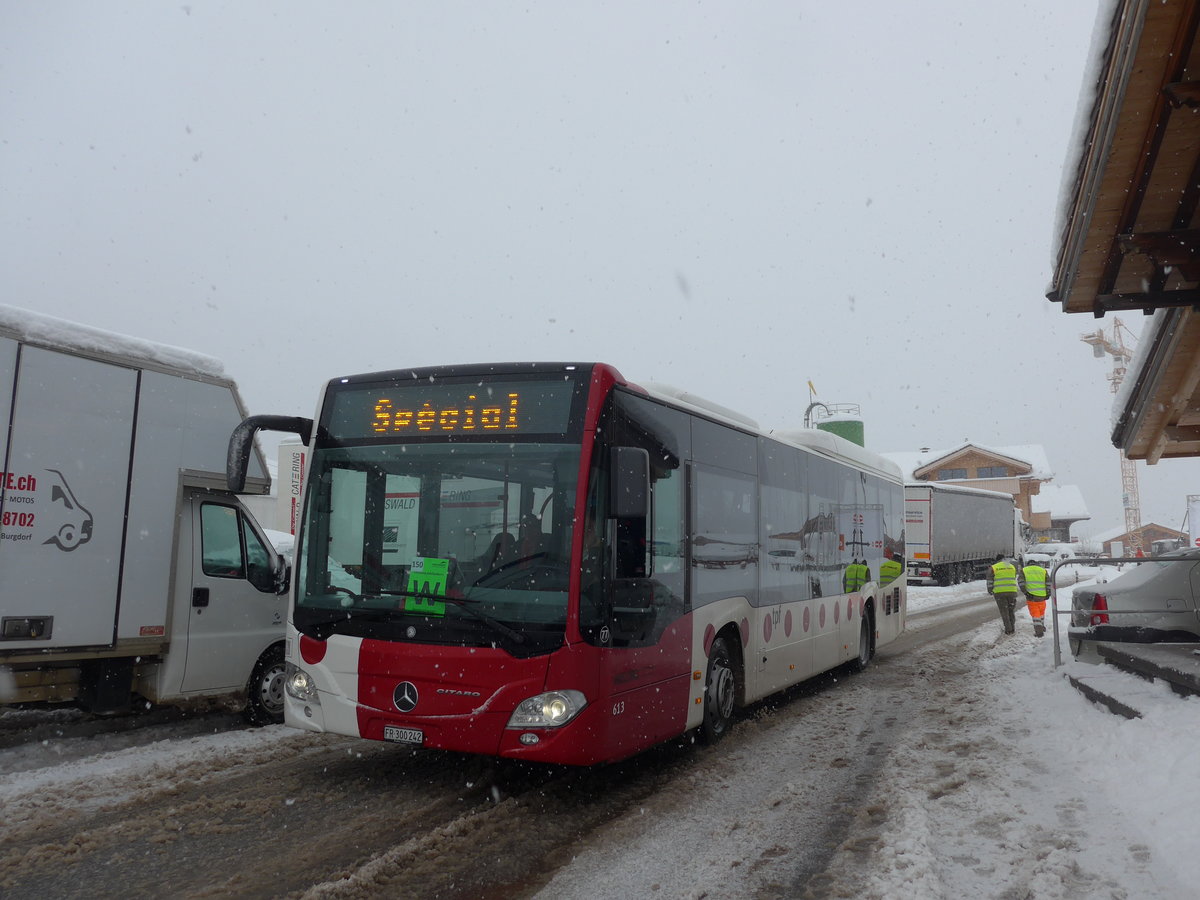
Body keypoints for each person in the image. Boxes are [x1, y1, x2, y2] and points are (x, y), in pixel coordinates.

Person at [987, 553, 1019, 635]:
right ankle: (1013, 627)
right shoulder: (1011, 566)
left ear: (997, 560)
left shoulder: (994, 567)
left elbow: (990, 581)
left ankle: (1008, 629)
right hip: (1012, 592)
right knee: (1011, 610)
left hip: (999, 593)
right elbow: (1013, 577)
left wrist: (990, 590)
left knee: (1004, 611)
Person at [1018, 558, 1050, 637]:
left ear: (1028, 564)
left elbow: (1021, 583)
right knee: (1041, 612)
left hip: (1031, 596)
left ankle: (1039, 632)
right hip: (1042, 596)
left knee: (1035, 614)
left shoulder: (1024, 570)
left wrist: (1026, 592)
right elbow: (1048, 583)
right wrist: (1048, 593)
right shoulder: (1043, 570)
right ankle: (1042, 627)